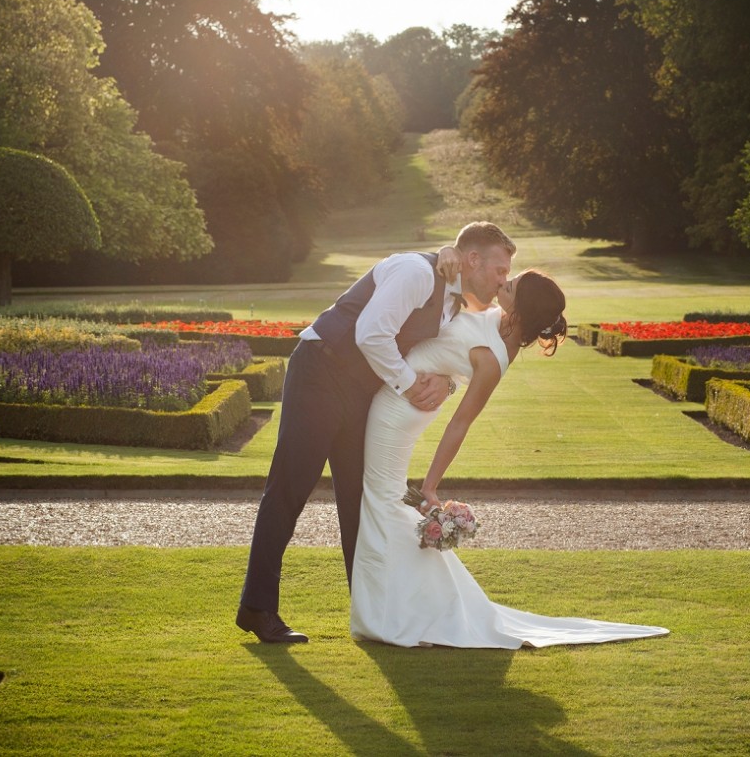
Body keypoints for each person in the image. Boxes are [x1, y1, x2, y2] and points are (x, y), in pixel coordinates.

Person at [350, 270, 670, 648]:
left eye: (512, 285)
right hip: (405, 394)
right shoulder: (494, 317)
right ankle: (401, 610)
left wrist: (431, 485)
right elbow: (451, 326)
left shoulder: (494, 358)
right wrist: (448, 377)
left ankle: (401, 615)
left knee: (383, 500)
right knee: (383, 501)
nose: (504, 282)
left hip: (400, 409)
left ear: (521, 308)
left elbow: (460, 424)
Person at [237, 222, 517, 643]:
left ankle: (377, 612)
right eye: (499, 269)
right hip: (320, 371)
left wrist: (448, 382)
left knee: (361, 501)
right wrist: (408, 384)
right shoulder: (416, 273)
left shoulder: (457, 302)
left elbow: (439, 353)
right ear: (472, 260)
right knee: (289, 488)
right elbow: (371, 333)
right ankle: (257, 610)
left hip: (363, 390)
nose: (502, 281)